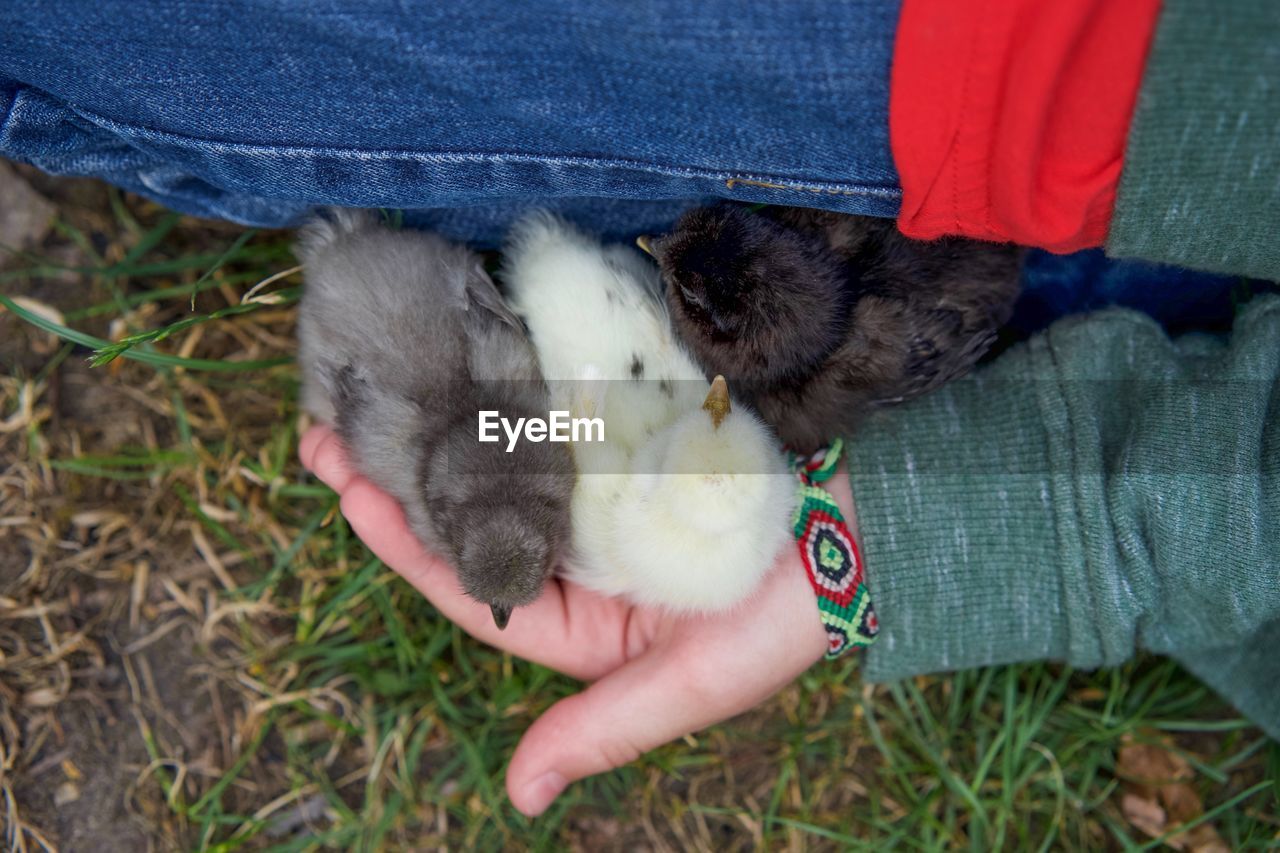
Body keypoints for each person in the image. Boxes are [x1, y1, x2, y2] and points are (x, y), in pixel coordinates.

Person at [4, 0, 1276, 818]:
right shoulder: (551, 442)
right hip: (1082, 97)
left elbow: (547, 411)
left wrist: (887, 543)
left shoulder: (546, 444)